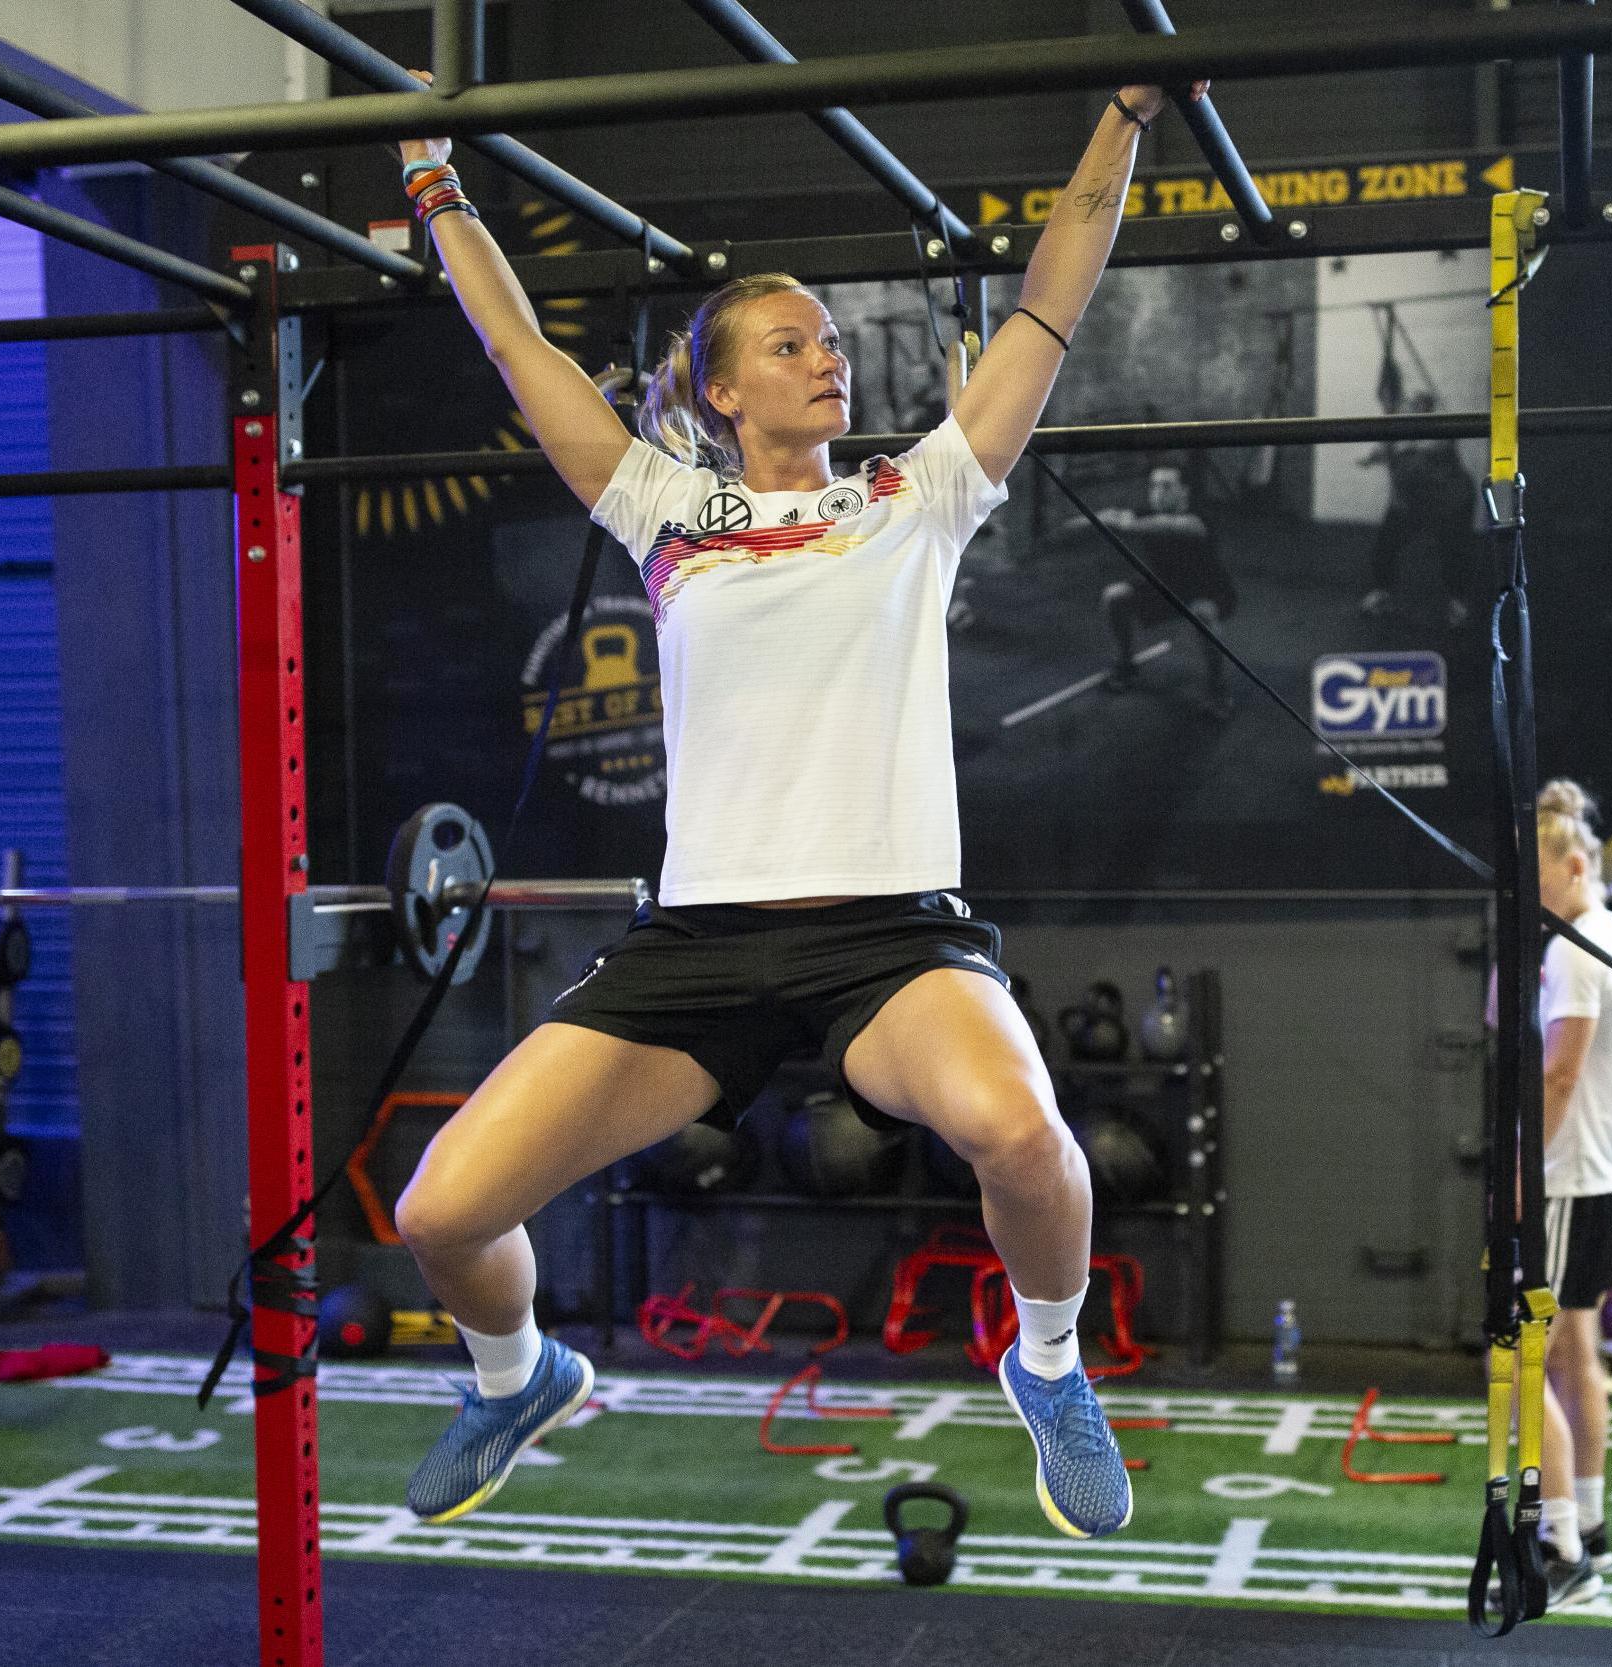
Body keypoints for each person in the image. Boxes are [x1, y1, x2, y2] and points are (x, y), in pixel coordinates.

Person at [390, 77, 1203, 1539]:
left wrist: (1123, 120)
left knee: (1024, 1134)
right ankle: (515, 1373)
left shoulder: (919, 492)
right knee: (442, 1211)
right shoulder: (660, 512)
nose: (826, 358)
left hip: (890, 941)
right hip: (693, 950)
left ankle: (1050, 1363)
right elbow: (514, 343)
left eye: (830, 339)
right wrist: (436, 182)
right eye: (789, 344)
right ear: (721, 389)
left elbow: (1048, 304)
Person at [1528, 778, 1612, 1606]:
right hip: (1602, 1174)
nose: (1532, 897)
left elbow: (1560, 1072)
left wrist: (1523, 1177)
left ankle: (1564, 1549)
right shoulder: (1611, 932)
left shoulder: (1574, 948)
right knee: (1574, 1351)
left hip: (1565, 1177)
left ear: (1572, 864)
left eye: (1538, 878)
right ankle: (1590, 1522)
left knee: (1522, 1357)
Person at [1088, 464, 1238, 718]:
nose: (1157, 493)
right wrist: (1072, 525)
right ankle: (1126, 665)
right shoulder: (1144, 514)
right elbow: (1110, 515)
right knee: (1114, 597)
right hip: (1165, 587)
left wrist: (1124, 522)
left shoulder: (1197, 519)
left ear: (1184, 492)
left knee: (1204, 614)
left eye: (1166, 486)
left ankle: (1218, 690)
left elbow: (1167, 525)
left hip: (1209, 590)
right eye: (1154, 486)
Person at [1355, 392, 1479, 628]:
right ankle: (1381, 594)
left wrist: (1400, 441)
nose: (1408, 410)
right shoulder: (1395, 437)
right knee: (1386, 543)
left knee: (1453, 552)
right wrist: (1372, 456)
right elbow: (1380, 455)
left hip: (1450, 503)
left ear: (1426, 411)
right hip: (1411, 504)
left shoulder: (1437, 434)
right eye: (1407, 406)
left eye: (1415, 407)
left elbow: (1432, 443)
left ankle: (1458, 605)